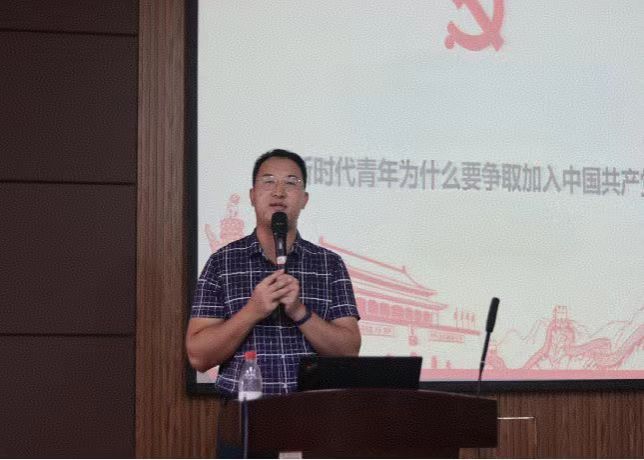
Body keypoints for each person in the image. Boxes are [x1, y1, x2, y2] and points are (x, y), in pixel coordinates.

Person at [186, 149, 361, 397]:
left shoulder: (329, 264)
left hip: (314, 412)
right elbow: (198, 357)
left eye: (291, 182)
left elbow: (349, 352)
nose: (279, 192)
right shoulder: (221, 262)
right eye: (268, 181)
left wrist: (299, 312)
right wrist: (252, 311)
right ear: (252, 196)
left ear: (304, 199)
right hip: (245, 413)